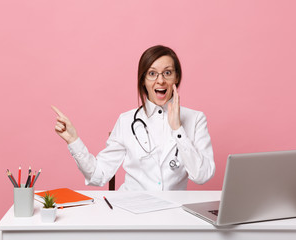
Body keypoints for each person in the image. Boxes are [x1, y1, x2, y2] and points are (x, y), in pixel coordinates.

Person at [52, 45, 215, 191]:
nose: (160, 80)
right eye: (152, 73)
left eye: (167, 73)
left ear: (177, 77)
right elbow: (98, 175)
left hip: (172, 215)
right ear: (143, 79)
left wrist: (178, 129)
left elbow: (202, 175)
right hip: (132, 211)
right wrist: (74, 141)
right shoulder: (126, 120)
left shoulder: (196, 119)